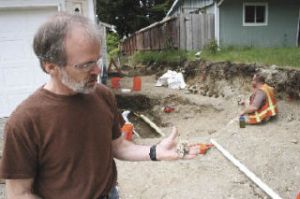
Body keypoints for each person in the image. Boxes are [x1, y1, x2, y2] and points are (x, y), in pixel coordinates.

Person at [0, 13, 199, 199]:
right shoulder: (24, 122)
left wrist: (155, 152)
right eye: (85, 65)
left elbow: (118, 146)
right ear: (51, 66)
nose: (97, 71)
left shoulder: (101, 94)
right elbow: (19, 193)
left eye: (97, 61)